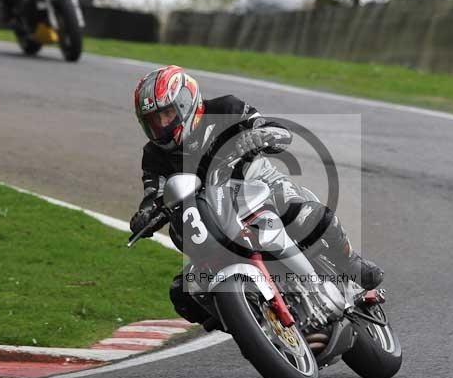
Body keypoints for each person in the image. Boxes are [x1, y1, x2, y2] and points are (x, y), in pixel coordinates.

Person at [129, 65, 384, 324]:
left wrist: (261, 136)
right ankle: (252, 321)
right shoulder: (153, 155)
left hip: (259, 186)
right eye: (152, 121)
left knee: (305, 216)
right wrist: (146, 214)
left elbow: (273, 129)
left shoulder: (225, 109)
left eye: (166, 114)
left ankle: (351, 263)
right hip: (210, 217)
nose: (160, 125)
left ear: (185, 103)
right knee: (184, 295)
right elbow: (155, 193)